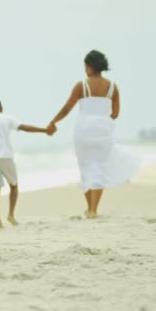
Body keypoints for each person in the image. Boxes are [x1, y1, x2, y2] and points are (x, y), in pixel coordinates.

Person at [47, 50, 140, 218]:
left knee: (85, 168)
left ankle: (89, 208)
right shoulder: (113, 87)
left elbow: (67, 108)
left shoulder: (81, 85)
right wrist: (103, 119)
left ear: (89, 66)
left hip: (83, 130)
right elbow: (116, 113)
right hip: (103, 129)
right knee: (99, 168)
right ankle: (93, 210)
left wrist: (54, 122)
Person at [0, 96, 52, 228]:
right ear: (1, 108)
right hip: (6, 156)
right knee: (14, 186)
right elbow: (24, 127)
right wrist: (44, 130)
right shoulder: (7, 118)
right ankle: (11, 214)